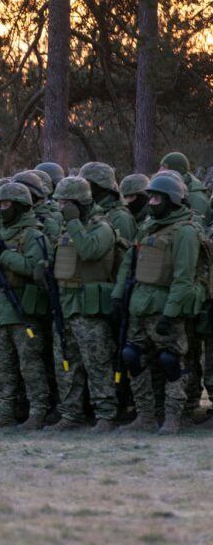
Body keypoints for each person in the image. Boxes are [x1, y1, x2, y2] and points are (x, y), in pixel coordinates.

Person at [113, 172, 198, 435]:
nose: (151, 203)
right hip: (138, 305)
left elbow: (184, 278)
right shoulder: (148, 226)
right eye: (150, 198)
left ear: (172, 200)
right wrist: (117, 297)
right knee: (132, 357)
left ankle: (173, 417)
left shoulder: (184, 232)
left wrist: (170, 314)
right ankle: (146, 416)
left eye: (157, 198)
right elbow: (130, 262)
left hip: (164, 307)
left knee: (171, 361)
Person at [45, 176, 119, 432]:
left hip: (89, 308)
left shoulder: (102, 228)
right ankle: (70, 414)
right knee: (66, 363)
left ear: (80, 203)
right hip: (65, 305)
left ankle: (105, 415)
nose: (61, 207)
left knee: (97, 363)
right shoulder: (68, 228)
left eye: (66, 202)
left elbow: (89, 251)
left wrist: (74, 221)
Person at [0, 181, 50, 430]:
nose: (2, 209)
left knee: (30, 364)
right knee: (1, 366)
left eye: (7, 204)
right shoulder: (1, 234)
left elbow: (34, 268)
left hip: (23, 307)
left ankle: (38, 412)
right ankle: (5, 412)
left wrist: (3, 256)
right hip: (0, 308)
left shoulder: (34, 234)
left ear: (21, 206)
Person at [79, 162, 136, 244]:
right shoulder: (89, 209)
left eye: (85, 182)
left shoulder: (120, 218)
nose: (81, 187)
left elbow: (124, 252)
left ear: (99, 184)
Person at [159, 152, 210, 224]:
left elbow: (196, 228)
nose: (160, 170)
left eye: (164, 167)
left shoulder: (196, 197)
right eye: (160, 166)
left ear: (175, 170)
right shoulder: (173, 186)